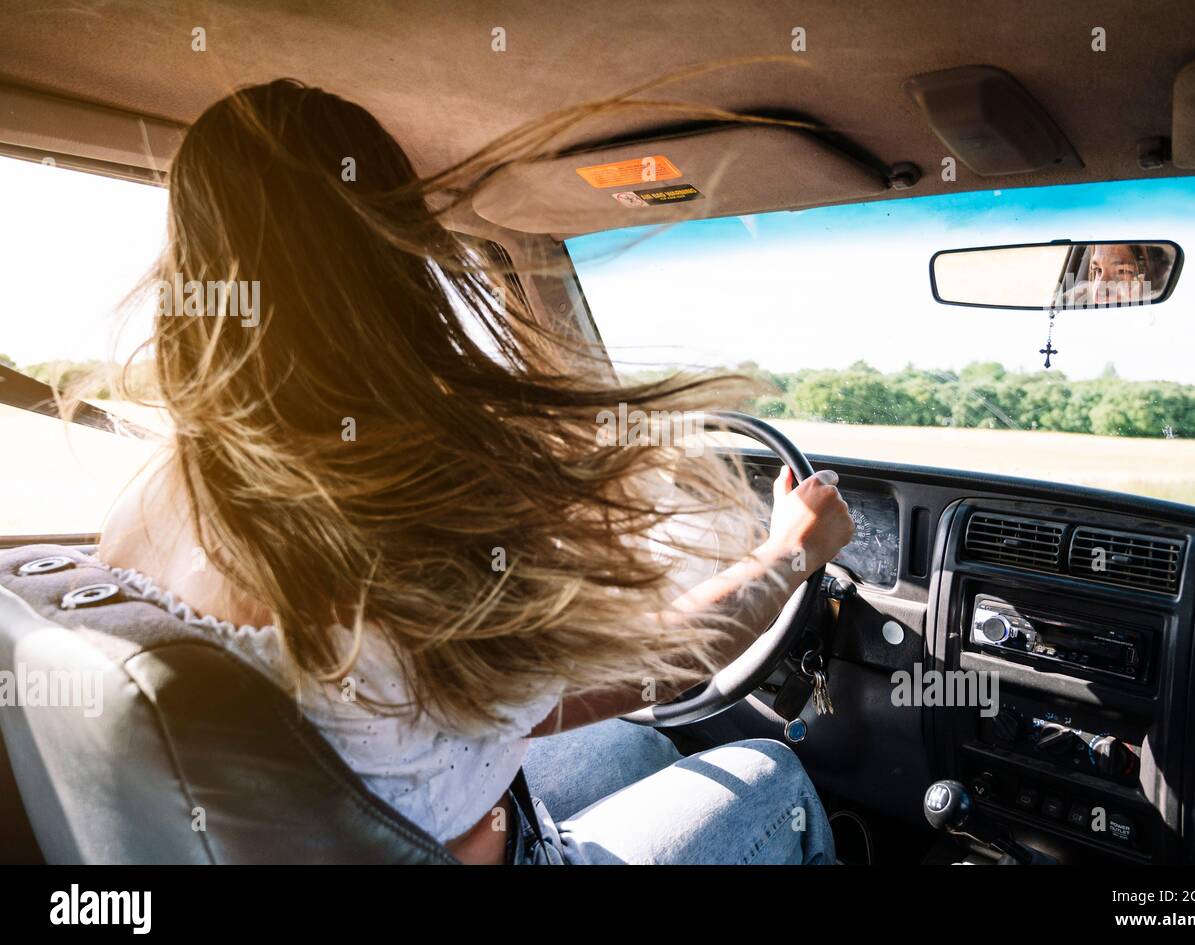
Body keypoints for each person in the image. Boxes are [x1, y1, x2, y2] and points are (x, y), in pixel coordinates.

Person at [94, 80, 853, 865]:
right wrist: (789, 552)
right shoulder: (407, 517)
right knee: (769, 775)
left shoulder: (150, 496)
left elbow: (530, 707)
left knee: (640, 757)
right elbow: (655, 663)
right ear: (391, 259)